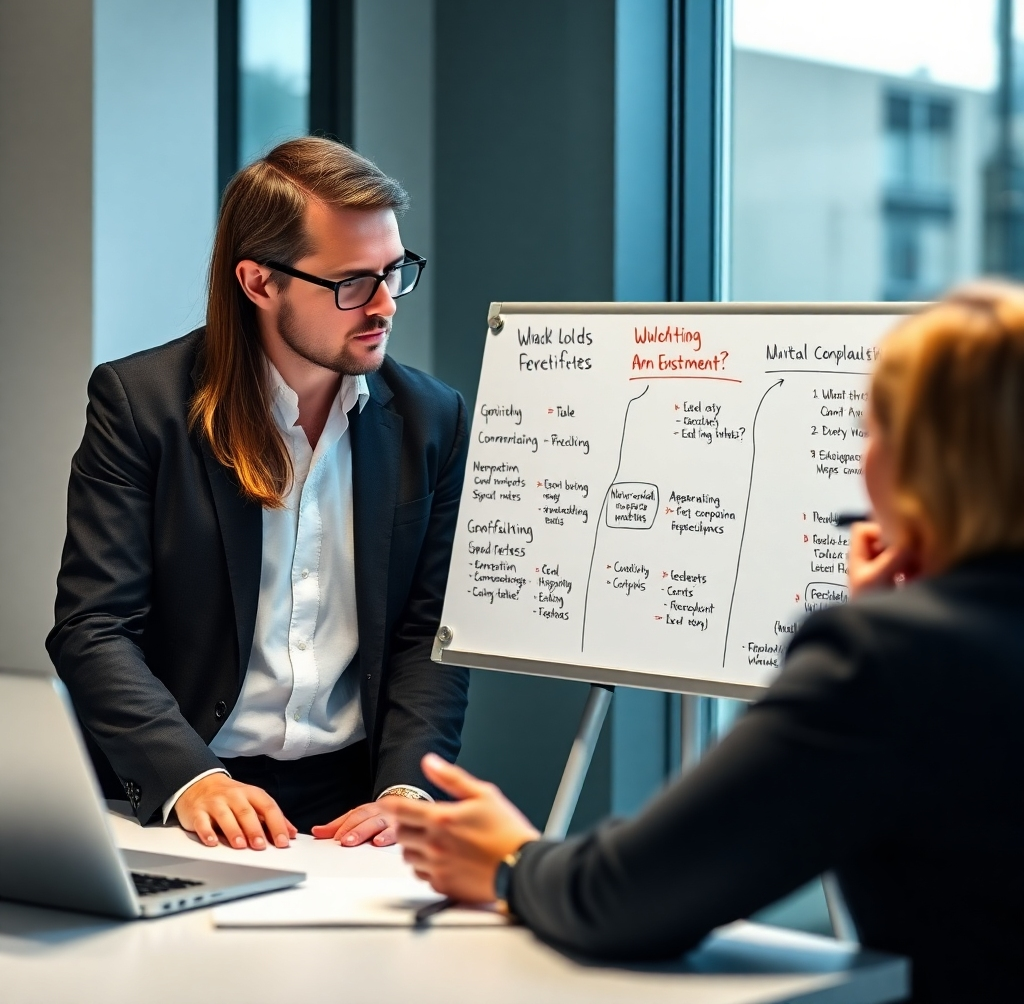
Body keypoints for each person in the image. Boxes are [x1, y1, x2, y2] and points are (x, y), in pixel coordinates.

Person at [383, 285, 1024, 1003]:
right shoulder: (922, 651)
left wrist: (510, 861)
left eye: (870, 430)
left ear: (917, 461)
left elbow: (634, 896)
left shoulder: (887, 661)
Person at [48, 137, 469, 852]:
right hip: (186, 795)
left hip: (355, 809)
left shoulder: (433, 420)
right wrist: (191, 779)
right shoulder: (140, 405)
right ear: (257, 282)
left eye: (395, 273)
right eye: (350, 283)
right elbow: (94, 629)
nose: (384, 306)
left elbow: (427, 636)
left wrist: (407, 789)